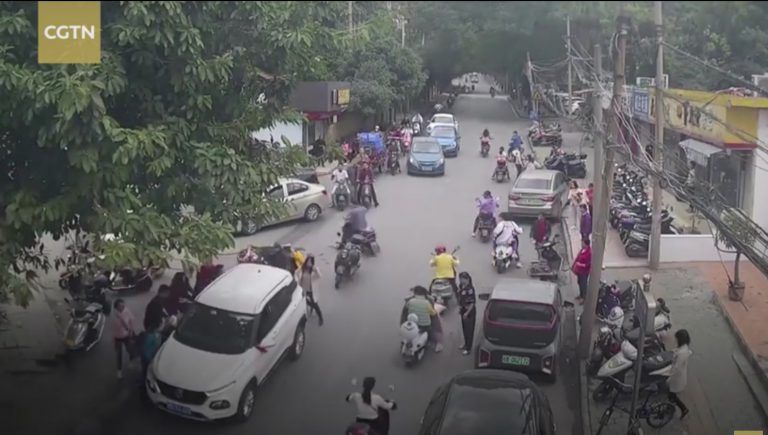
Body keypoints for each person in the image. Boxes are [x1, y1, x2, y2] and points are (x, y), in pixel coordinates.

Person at [404, 285, 441, 352]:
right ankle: (436, 343)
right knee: (432, 328)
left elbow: (406, 308)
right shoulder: (427, 302)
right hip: (425, 325)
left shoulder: (410, 301)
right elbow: (433, 313)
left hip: (413, 325)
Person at [665, 329, 692, 419]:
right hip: (678, 376)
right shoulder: (684, 348)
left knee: (672, 395)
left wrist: (669, 377)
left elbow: (676, 367)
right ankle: (672, 408)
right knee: (671, 395)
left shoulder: (682, 353)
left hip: (677, 378)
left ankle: (683, 409)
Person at [296, 254, 324, 326]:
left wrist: (316, 270)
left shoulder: (314, 270)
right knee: (305, 302)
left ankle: (320, 317)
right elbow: (296, 273)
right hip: (304, 290)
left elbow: (319, 276)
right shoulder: (302, 268)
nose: (309, 263)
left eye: (311, 262)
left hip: (311, 291)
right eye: (308, 261)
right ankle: (310, 307)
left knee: (315, 305)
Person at [112, 299, 137, 379]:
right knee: (119, 355)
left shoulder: (127, 311)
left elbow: (130, 321)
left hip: (126, 336)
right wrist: (114, 340)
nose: (122, 307)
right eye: (120, 306)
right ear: (116, 307)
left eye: (123, 305)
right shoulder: (114, 315)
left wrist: (131, 331)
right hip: (118, 337)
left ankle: (131, 362)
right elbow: (113, 328)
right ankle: (119, 371)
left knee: (131, 350)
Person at [457, 272, 477, 355]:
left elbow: (472, 303)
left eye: (463, 279)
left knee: (469, 330)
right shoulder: (461, 286)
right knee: (464, 329)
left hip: (469, 312)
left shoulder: (470, 289)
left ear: (467, 279)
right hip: (463, 309)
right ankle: (465, 343)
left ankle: (468, 348)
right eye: (460, 278)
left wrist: (467, 313)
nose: (461, 280)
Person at [572, 238, 592, 303]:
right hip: (579, 271)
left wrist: (580, 264)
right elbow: (578, 257)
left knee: (583, 285)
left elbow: (588, 264)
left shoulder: (589, 252)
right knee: (579, 283)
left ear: (586, 244)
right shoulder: (582, 250)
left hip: (584, 272)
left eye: (582, 243)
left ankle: (584, 298)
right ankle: (580, 295)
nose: (581, 244)